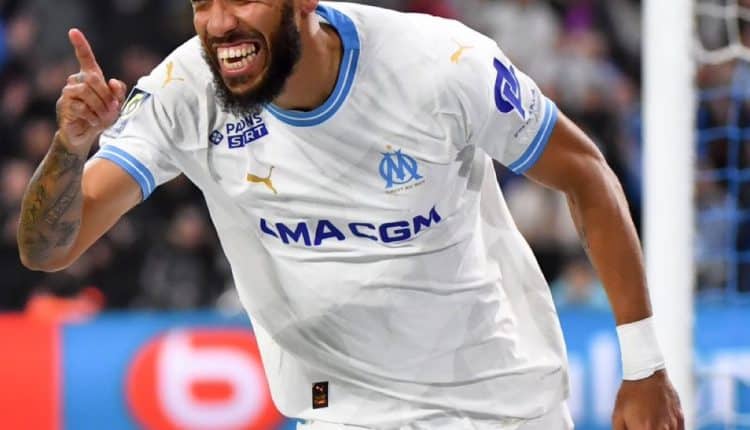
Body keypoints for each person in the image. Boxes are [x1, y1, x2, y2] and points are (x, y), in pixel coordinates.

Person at [17, 0, 683, 428]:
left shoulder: (443, 64)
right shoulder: (183, 91)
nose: (219, 23)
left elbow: (587, 175)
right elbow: (47, 249)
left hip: (497, 404)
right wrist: (70, 150)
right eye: (203, 3)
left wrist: (645, 366)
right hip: (343, 411)